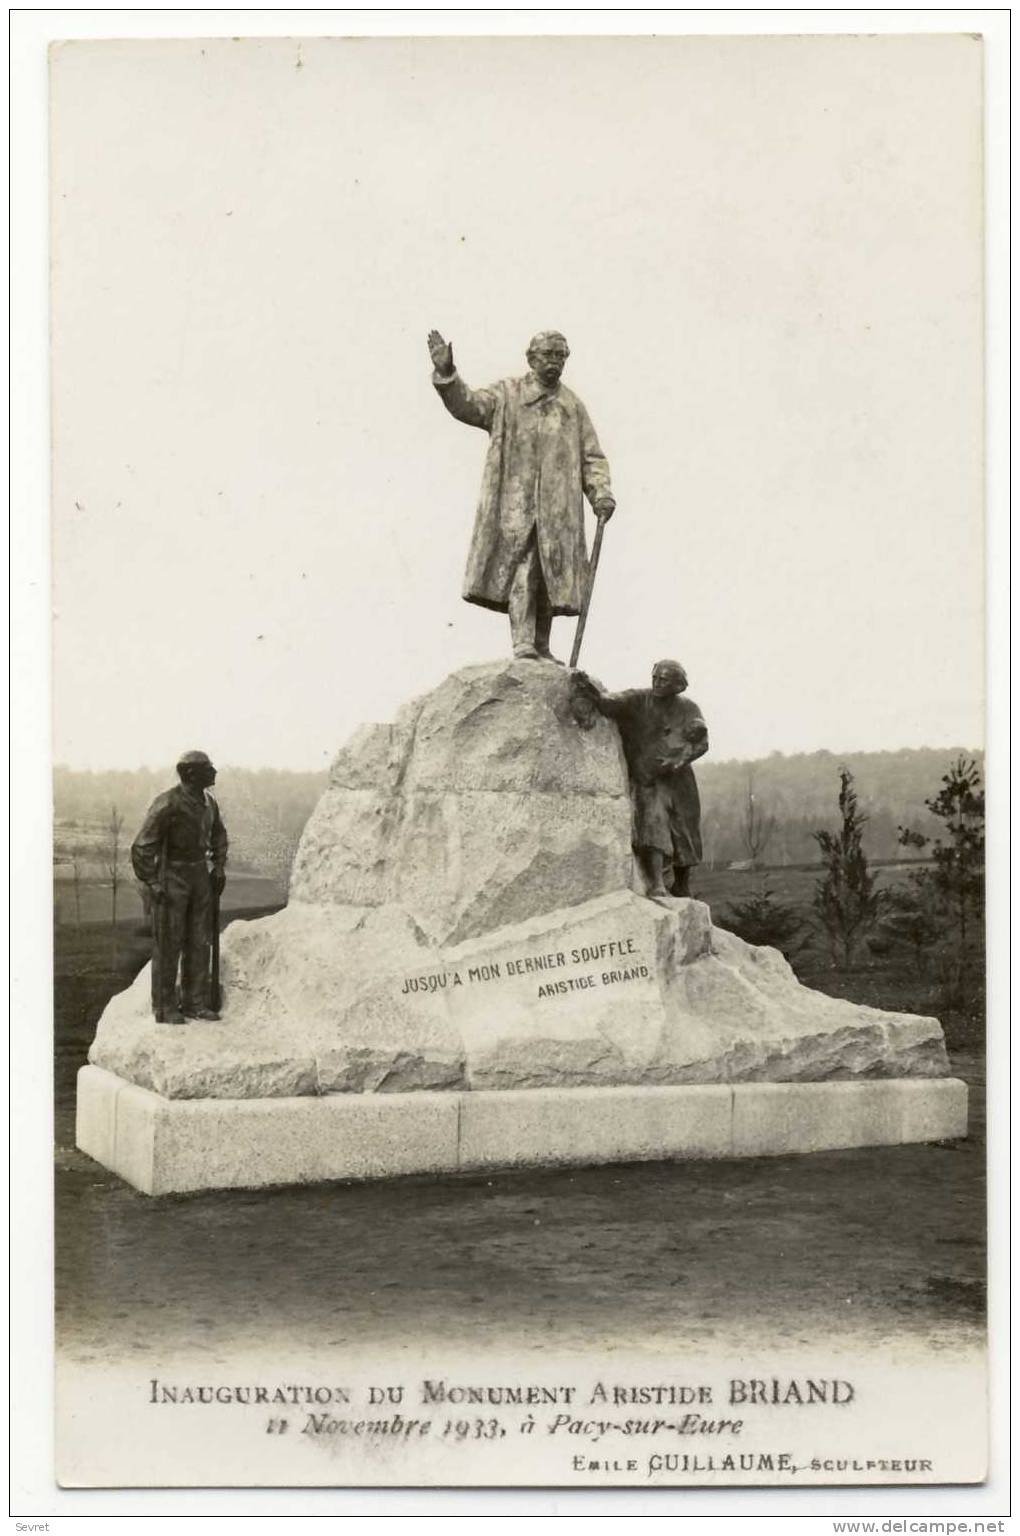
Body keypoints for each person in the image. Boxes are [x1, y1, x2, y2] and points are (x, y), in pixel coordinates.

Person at [427, 328, 616, 662]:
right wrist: (447, 375)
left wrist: (601, 492)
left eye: (561, 355)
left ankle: (541, 644)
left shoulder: (572, 407)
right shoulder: (508, 395)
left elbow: (591, 456)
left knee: (551, 575)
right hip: (516, 506)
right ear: (531, 358)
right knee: (524, 568)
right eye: (547, 354)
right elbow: (469, 406)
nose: (554, 362)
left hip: (558, 512)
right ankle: (523, 641)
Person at [572, 661, 708, 898]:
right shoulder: (638, 699)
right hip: (649, 778)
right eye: (655, 677)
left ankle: (682, 883)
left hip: (679, 778)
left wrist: (678, 761)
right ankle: (656, 883)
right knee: (653, 824)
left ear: (678, 685)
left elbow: (701, 743)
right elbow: (609, 703)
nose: (656, 683)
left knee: (685, 829)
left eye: (663, 680)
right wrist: (588, 688)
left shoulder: (689, 708)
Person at [131, 750, 228, 1024]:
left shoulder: (210, 803)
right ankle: (164, 1006)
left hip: (199, 876)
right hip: (172, 876)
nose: (214, 771)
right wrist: (151, 881)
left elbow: (219, 835)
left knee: (200, 940)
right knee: (169, 943)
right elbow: (141, 846)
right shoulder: (167, 804)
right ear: (189, 773)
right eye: (207, 768)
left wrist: (218, 866)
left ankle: (194, 1002)